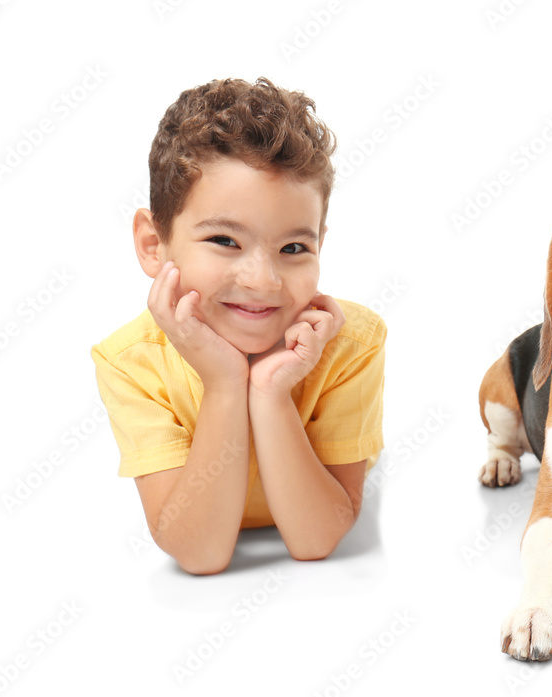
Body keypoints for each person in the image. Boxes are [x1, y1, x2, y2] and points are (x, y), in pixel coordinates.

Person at [91, 77, 385, 574]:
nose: (263, 281)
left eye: (294, 248)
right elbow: (199, 554)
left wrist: (269, 391)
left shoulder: (348, 342)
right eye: (225, 240)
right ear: (152, 243)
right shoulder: (130, 363)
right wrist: (226, 384)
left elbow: (316, 539)